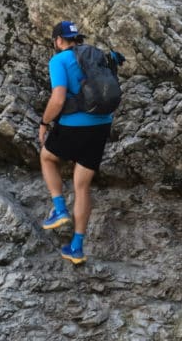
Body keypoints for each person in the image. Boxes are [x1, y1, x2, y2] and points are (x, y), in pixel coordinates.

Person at [38, 20, 120, 264]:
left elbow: (58, 98)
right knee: (82, 186)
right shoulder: (96, 56)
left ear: (58, 41)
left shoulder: (59, 60)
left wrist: (44, 123)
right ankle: (77, 247)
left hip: (75, 126)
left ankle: (60, 209)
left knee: (47, 157)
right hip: (102, 124)